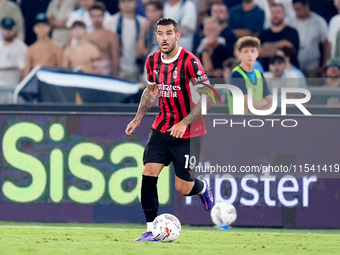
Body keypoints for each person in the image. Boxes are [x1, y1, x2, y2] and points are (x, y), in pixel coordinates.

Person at [125, 17, 214, 242]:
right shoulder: (152, 60)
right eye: (160, 34)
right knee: (148, 173)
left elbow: (209, 97)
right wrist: (137, 119)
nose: (164, 38)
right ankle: (150, 229)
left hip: (189, 133)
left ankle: (202, 187)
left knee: (183, 188)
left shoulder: (190, 62)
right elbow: (150, 91)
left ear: (177, 36)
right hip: (162, 128)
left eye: (168, 33)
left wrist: (184, 122)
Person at [229, 36, 272, 115]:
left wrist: (253, 110)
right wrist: (265, 103)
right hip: (239, 124)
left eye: (253, 51)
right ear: (239, 53)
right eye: (246, 51)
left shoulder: (259, 74)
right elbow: (251, 104)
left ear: (257, 53)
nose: (250, 55)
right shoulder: (236, 75)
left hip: (259, 123)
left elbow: (272, 104)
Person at [106, 0, 146, 82]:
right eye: (123, 2)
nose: (127, 4)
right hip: (118, 68)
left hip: (137, 68)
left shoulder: (143, 23)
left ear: (135, 4)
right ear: (119, 5)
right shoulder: (111, 22)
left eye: (129, 1)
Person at [289, 0, 330, 78]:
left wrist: (325, 64)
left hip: (313, 66)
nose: (296, 12)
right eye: (294, 9)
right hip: (294, 66)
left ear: (306, 7)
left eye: (299, 9)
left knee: (312, 89)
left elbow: (326, 44)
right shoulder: (290, 22)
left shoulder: (319, 21)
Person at [258, 3, 299, 71]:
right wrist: (280, 47)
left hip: (288, 72)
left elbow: (289, 49)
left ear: (284, 13)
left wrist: (266, 46)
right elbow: (258, 52)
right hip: (267, 73)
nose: (275, 15)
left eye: (278, 12)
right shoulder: (263, 33)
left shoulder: (292, 32)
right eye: (273, 12)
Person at [23, 13, 63, 77]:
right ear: (34, 29)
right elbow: (27, 72)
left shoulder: (57, 48)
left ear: (49, 28)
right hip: (36, 82)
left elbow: (62, 69)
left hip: (51, 80)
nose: (41, 28)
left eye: (44, 25)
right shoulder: (30, 50)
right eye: (38, 26)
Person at [87, 2, 120, 77]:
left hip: (106, 73)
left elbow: (116, 60)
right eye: (94, 16)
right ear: (90, 17)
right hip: (89, 74)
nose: (96, 19)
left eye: (99, 16)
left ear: (103, 16)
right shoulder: (86, 36)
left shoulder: (111, 36)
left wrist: (115, 78)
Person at [0, 17, 27, 87]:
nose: (7, 32)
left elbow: (24, 70)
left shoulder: (21, 47)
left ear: (14, 30)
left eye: (10, 30)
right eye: (5, 29)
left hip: (14, 82)